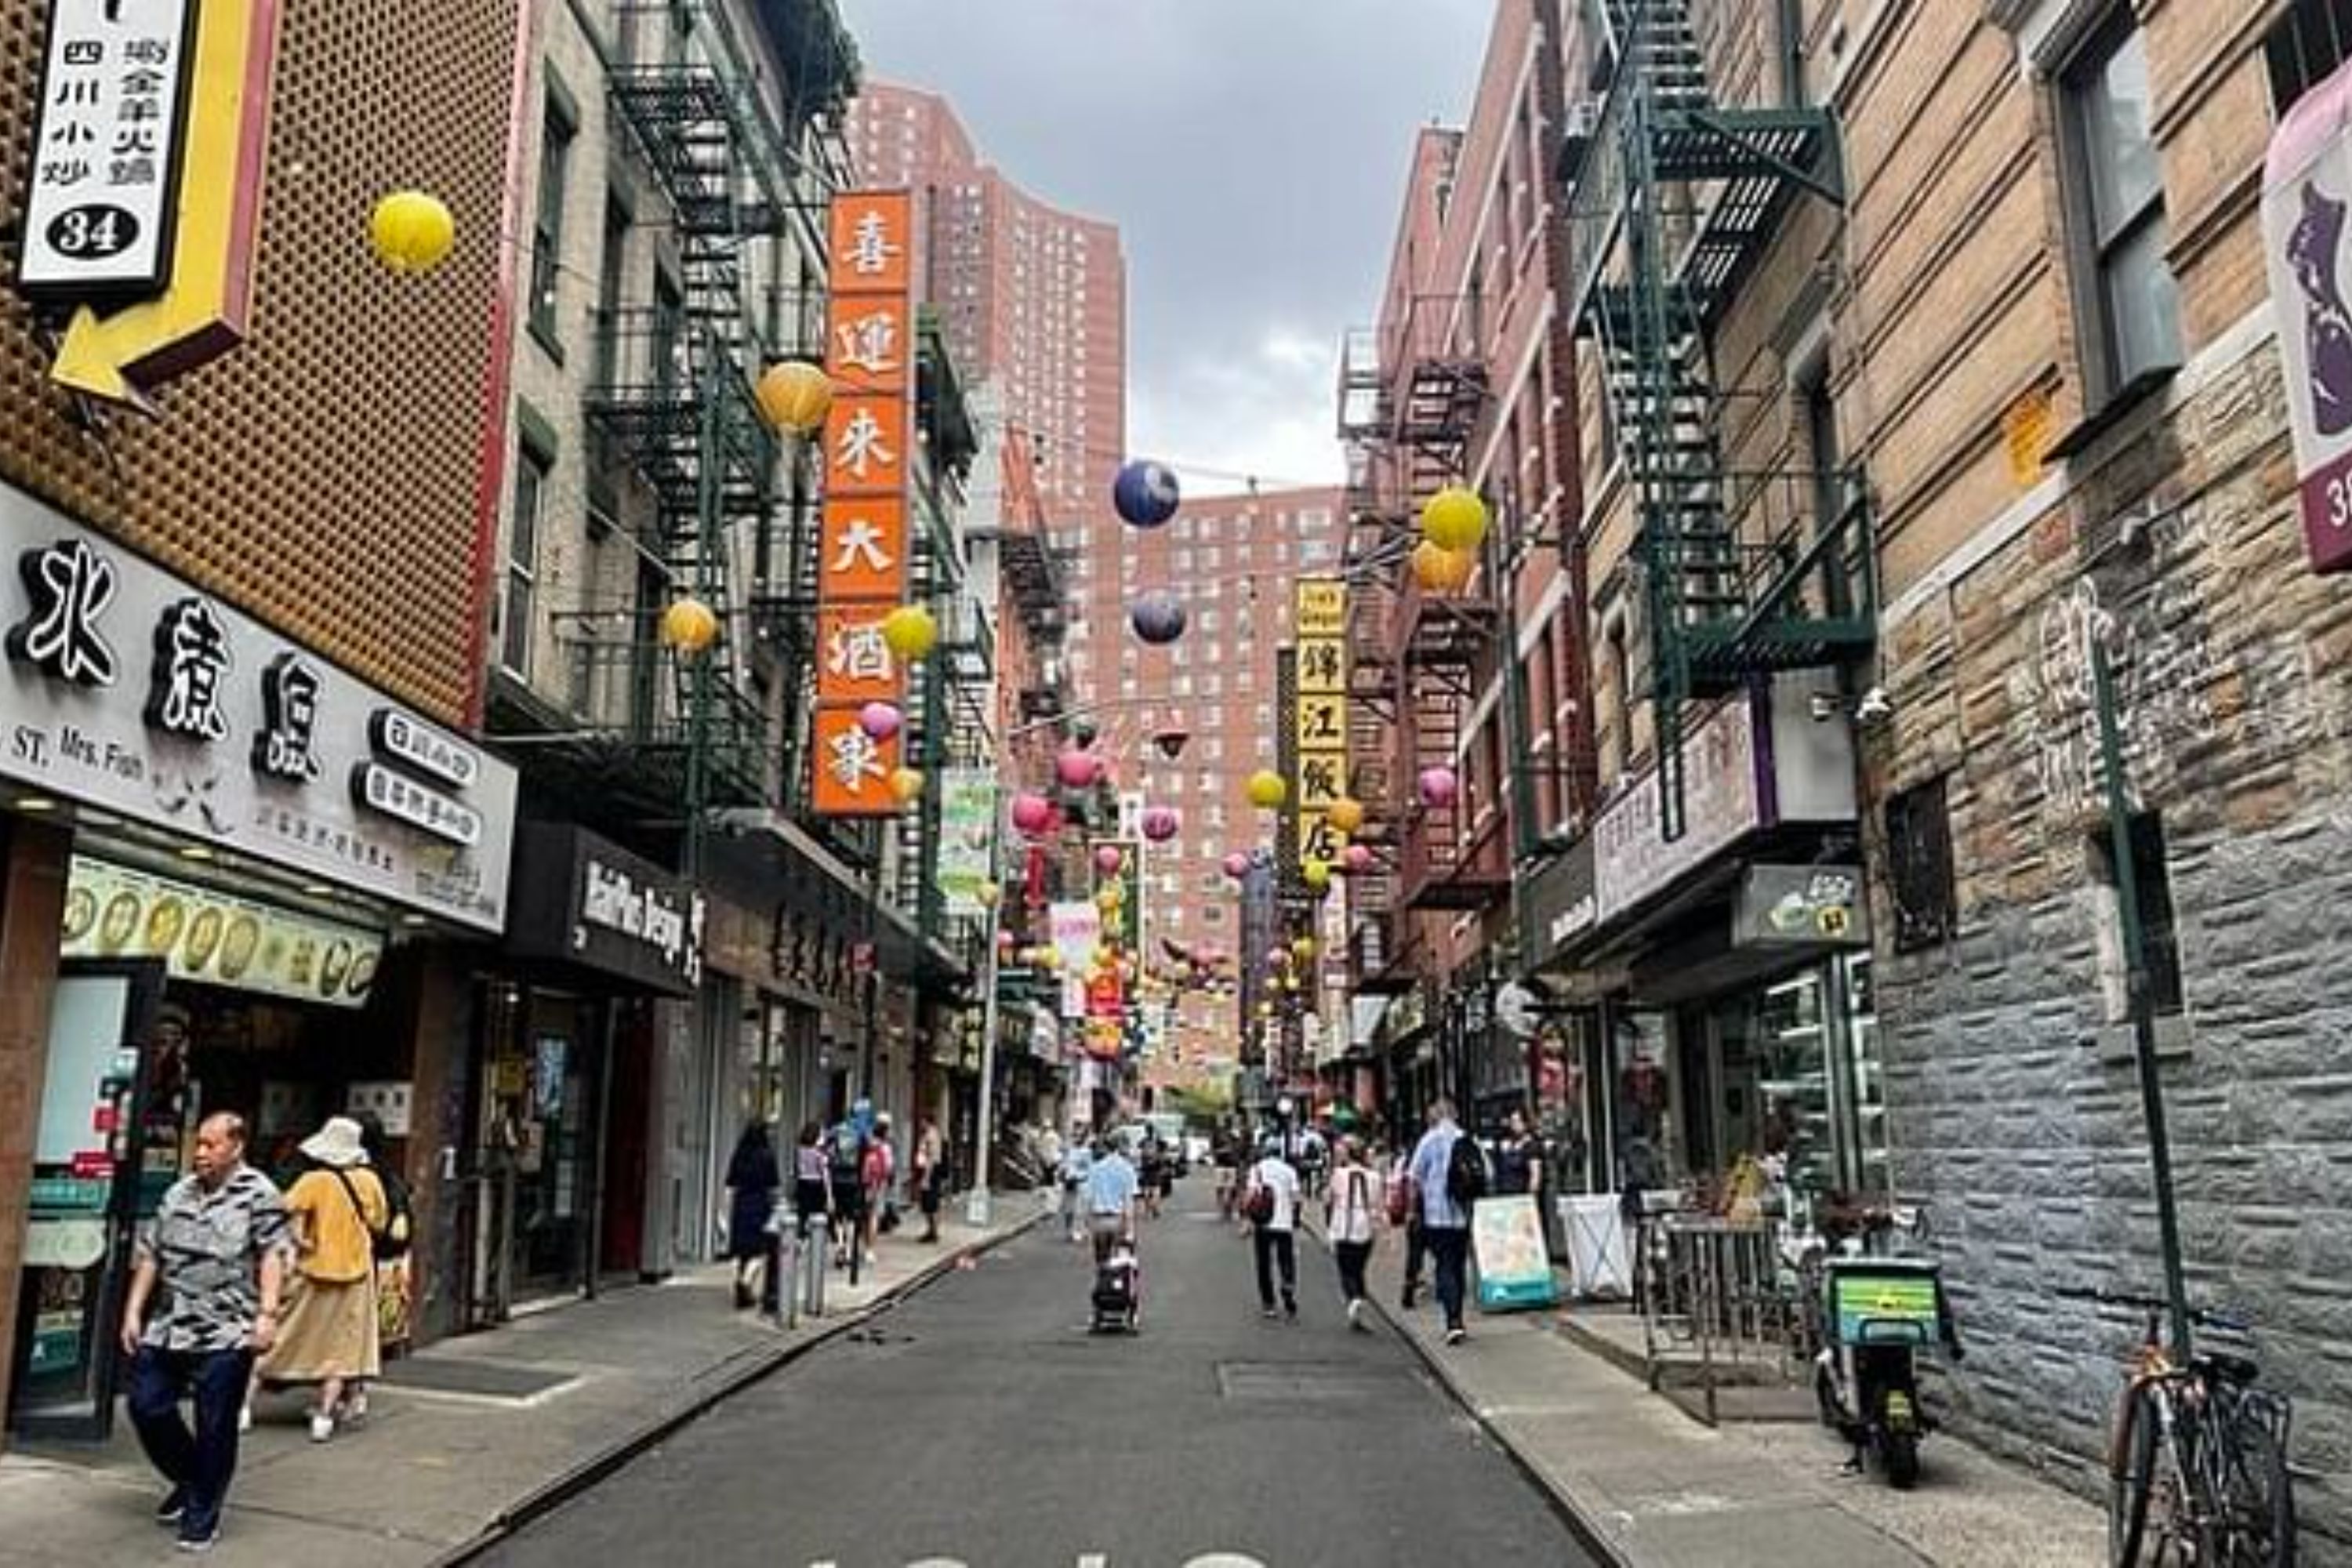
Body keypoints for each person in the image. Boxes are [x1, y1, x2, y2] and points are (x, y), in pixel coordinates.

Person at [122, 1112, 289, 1553]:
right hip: (171, 1323)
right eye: (198, 1144)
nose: (201, 1153)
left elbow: (273, 1254)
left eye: (211, 1145)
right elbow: (152, 1253)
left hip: (228, 1328)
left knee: (216, 1423)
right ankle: (192, 1476)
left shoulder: (261, 1195)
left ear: (236, 1147)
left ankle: (202, 1512)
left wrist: (268, 1315)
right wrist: (133, 1311)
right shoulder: (179, 1192)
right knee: (147, 1406)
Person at [1407, 1098, 1475, 1345]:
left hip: (1436, 1215)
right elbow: (1485, 1172)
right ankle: (1458, 1314)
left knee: (1444, 1265)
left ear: (1436, 1115)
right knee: (1457, 1264)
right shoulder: (1466, 1138)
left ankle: (1453, 1321)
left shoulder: (1429, 1140)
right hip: (1462, 1214)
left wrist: (1413, 1210)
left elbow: (1414, 1176)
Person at [724, 1120, 781, 1310]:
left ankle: (743, 1293)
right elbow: (774, 1187)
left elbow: (730, 1185)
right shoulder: (767, 1156)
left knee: (742, 1251)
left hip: (740, 1204)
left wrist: (724, 1211)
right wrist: (777, 1207)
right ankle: (746, 1281)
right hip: (760, 1204)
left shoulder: (740, 1154)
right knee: (759, 1250)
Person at [1324, 1135, 1381, 1330]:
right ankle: (1359, 1305)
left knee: (1345, 1269)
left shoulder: (1338, 1174)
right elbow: (1377, 1204)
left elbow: (1329, 1199)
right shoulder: (1374, 1177)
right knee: (1359, 1268)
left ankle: (1354, 1298)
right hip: (1364, 1225)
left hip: (1343, 1224)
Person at [1245, 1136, 1301, 1319]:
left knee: (1264, 1263)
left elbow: (1251, 1194)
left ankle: (1268, 1304)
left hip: (1263, 1222)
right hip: (1284, 1222)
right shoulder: (1289, 1170)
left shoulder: (1257, 1169)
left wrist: (1246, 1218)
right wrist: (1295, 1218)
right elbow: (1296, 1197)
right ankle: (1287, 1284)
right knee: (1286, 1259)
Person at [1081, 1136, 1137, 1265]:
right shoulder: (1127, 1168)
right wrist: (1130, 1229)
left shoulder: (1095, 1169)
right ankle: (1115, 1283)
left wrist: (1086, 1223)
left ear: (1106, 1149)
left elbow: (1088, 1198)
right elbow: (1128, 1201)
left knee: (1101, 1259)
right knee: (1119, 1261)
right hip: (1118, 1220)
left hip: (1099, 1220)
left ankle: (1103, 1280)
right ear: (1118, 1148)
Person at [1388, 1142, 1428, 1310]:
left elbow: (1396, 1183)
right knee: (1441, 1254)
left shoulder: (1406, 1161)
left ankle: (1409, 1289)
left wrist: (1409, 1211)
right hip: (1430, 1211)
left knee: (1414, 1254)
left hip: (1417, 1214)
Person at [860, 1112, 898, 1263]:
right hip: (879, 1185)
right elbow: (889, 1168)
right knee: (874, 1216)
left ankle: (864, 1244)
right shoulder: (886, 1147)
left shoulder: (866, 1144)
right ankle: (870, 1249)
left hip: (865, 1184)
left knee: (864, 1215)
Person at [911, 1115, 947, 1243]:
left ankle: (934, 1232)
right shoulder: (927, 1134)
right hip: (926, 1171)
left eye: (922, 1121)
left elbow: (932, 1158)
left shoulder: (932, 1136)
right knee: (927, 1204)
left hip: (931, 1172)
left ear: (927, 1122)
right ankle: (931, 1230)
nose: (921, 1123)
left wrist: (926, 1177)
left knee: (931, 1203)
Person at [1494, 1107, 1542, 1199]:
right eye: (1512, 1122)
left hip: (1521, 1195)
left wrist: (1530, 1197)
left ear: (1525, 1124)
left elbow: (1535, 1175)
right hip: (1504, 1194)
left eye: (1517, 1122)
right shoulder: (1505, 1143)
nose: (1513, 1125)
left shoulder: (1532, 1145)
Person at [1058, 1134, 1094, 1244]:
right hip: (1069, 1184)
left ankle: (1084, 1231)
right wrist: (1062, 1175)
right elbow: (1063, 1166)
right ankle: (1069, 1231)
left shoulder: (1087, 1152)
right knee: (1069, 1209)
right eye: (1075, 1136)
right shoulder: (1068, 1151)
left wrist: (1080, 1176)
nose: (1076, 1138)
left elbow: (1090, 1168)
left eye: (1078, 1137)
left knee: (1082, 1210)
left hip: (1082, 1183)